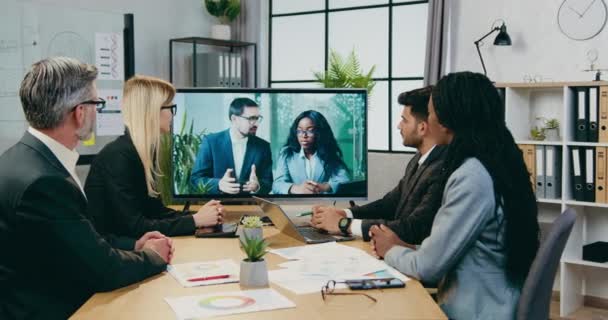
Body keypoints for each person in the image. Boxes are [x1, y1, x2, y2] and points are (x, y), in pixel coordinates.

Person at [0, 57, 173, 319]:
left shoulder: (20, 158)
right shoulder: (46, 182)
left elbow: (76, 243)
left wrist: (134, 245)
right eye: (97, 103)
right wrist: (152, 256)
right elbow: (104, 271)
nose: (98, 110)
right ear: (80, 113)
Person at [371, 72, 540, 320]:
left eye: (429, 113)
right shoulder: (497, 159)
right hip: (497, 298)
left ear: (447, 121)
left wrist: (390, 250)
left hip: (476, 310)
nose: (426, 120)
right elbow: (465, 247)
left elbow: (427, 268)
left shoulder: (472, 176)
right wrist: (410, 248)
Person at [84, 75, 224, 238]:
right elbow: (135, 226)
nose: (173, 115)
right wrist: (195, 221)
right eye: (170, 108)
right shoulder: (119, 157)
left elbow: (155, 212)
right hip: (114, 255)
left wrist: (200, 218)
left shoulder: (139, 152)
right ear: (151, 111)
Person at [311, 87, 446, 242]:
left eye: (404, 120)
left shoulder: (441, 168)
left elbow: (414, 227)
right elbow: (389, 204)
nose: (398, 126)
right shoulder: (418, 160)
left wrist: (343, 224)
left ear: (422, 127)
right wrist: (345, 214)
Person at [190, 97, 273, 194]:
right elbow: (195, 179)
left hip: (250, 206)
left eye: (257, 118)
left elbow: (268, 182)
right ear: (234, 119)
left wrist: (257, 186)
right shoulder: (211, 142)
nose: (256, 124)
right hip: (217, 205)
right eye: (251, 118)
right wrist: (219, 184)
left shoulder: (263, 146)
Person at [272, 110, 350, 194]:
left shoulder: (329, 152)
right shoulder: (287, 153)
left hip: (321, 203)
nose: (304, 135)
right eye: (299, 131)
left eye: (310, 130)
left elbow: (344, 180)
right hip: (294, 203)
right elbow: (277, 185)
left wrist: (324, 187)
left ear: (319, 132)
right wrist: (297, 188)